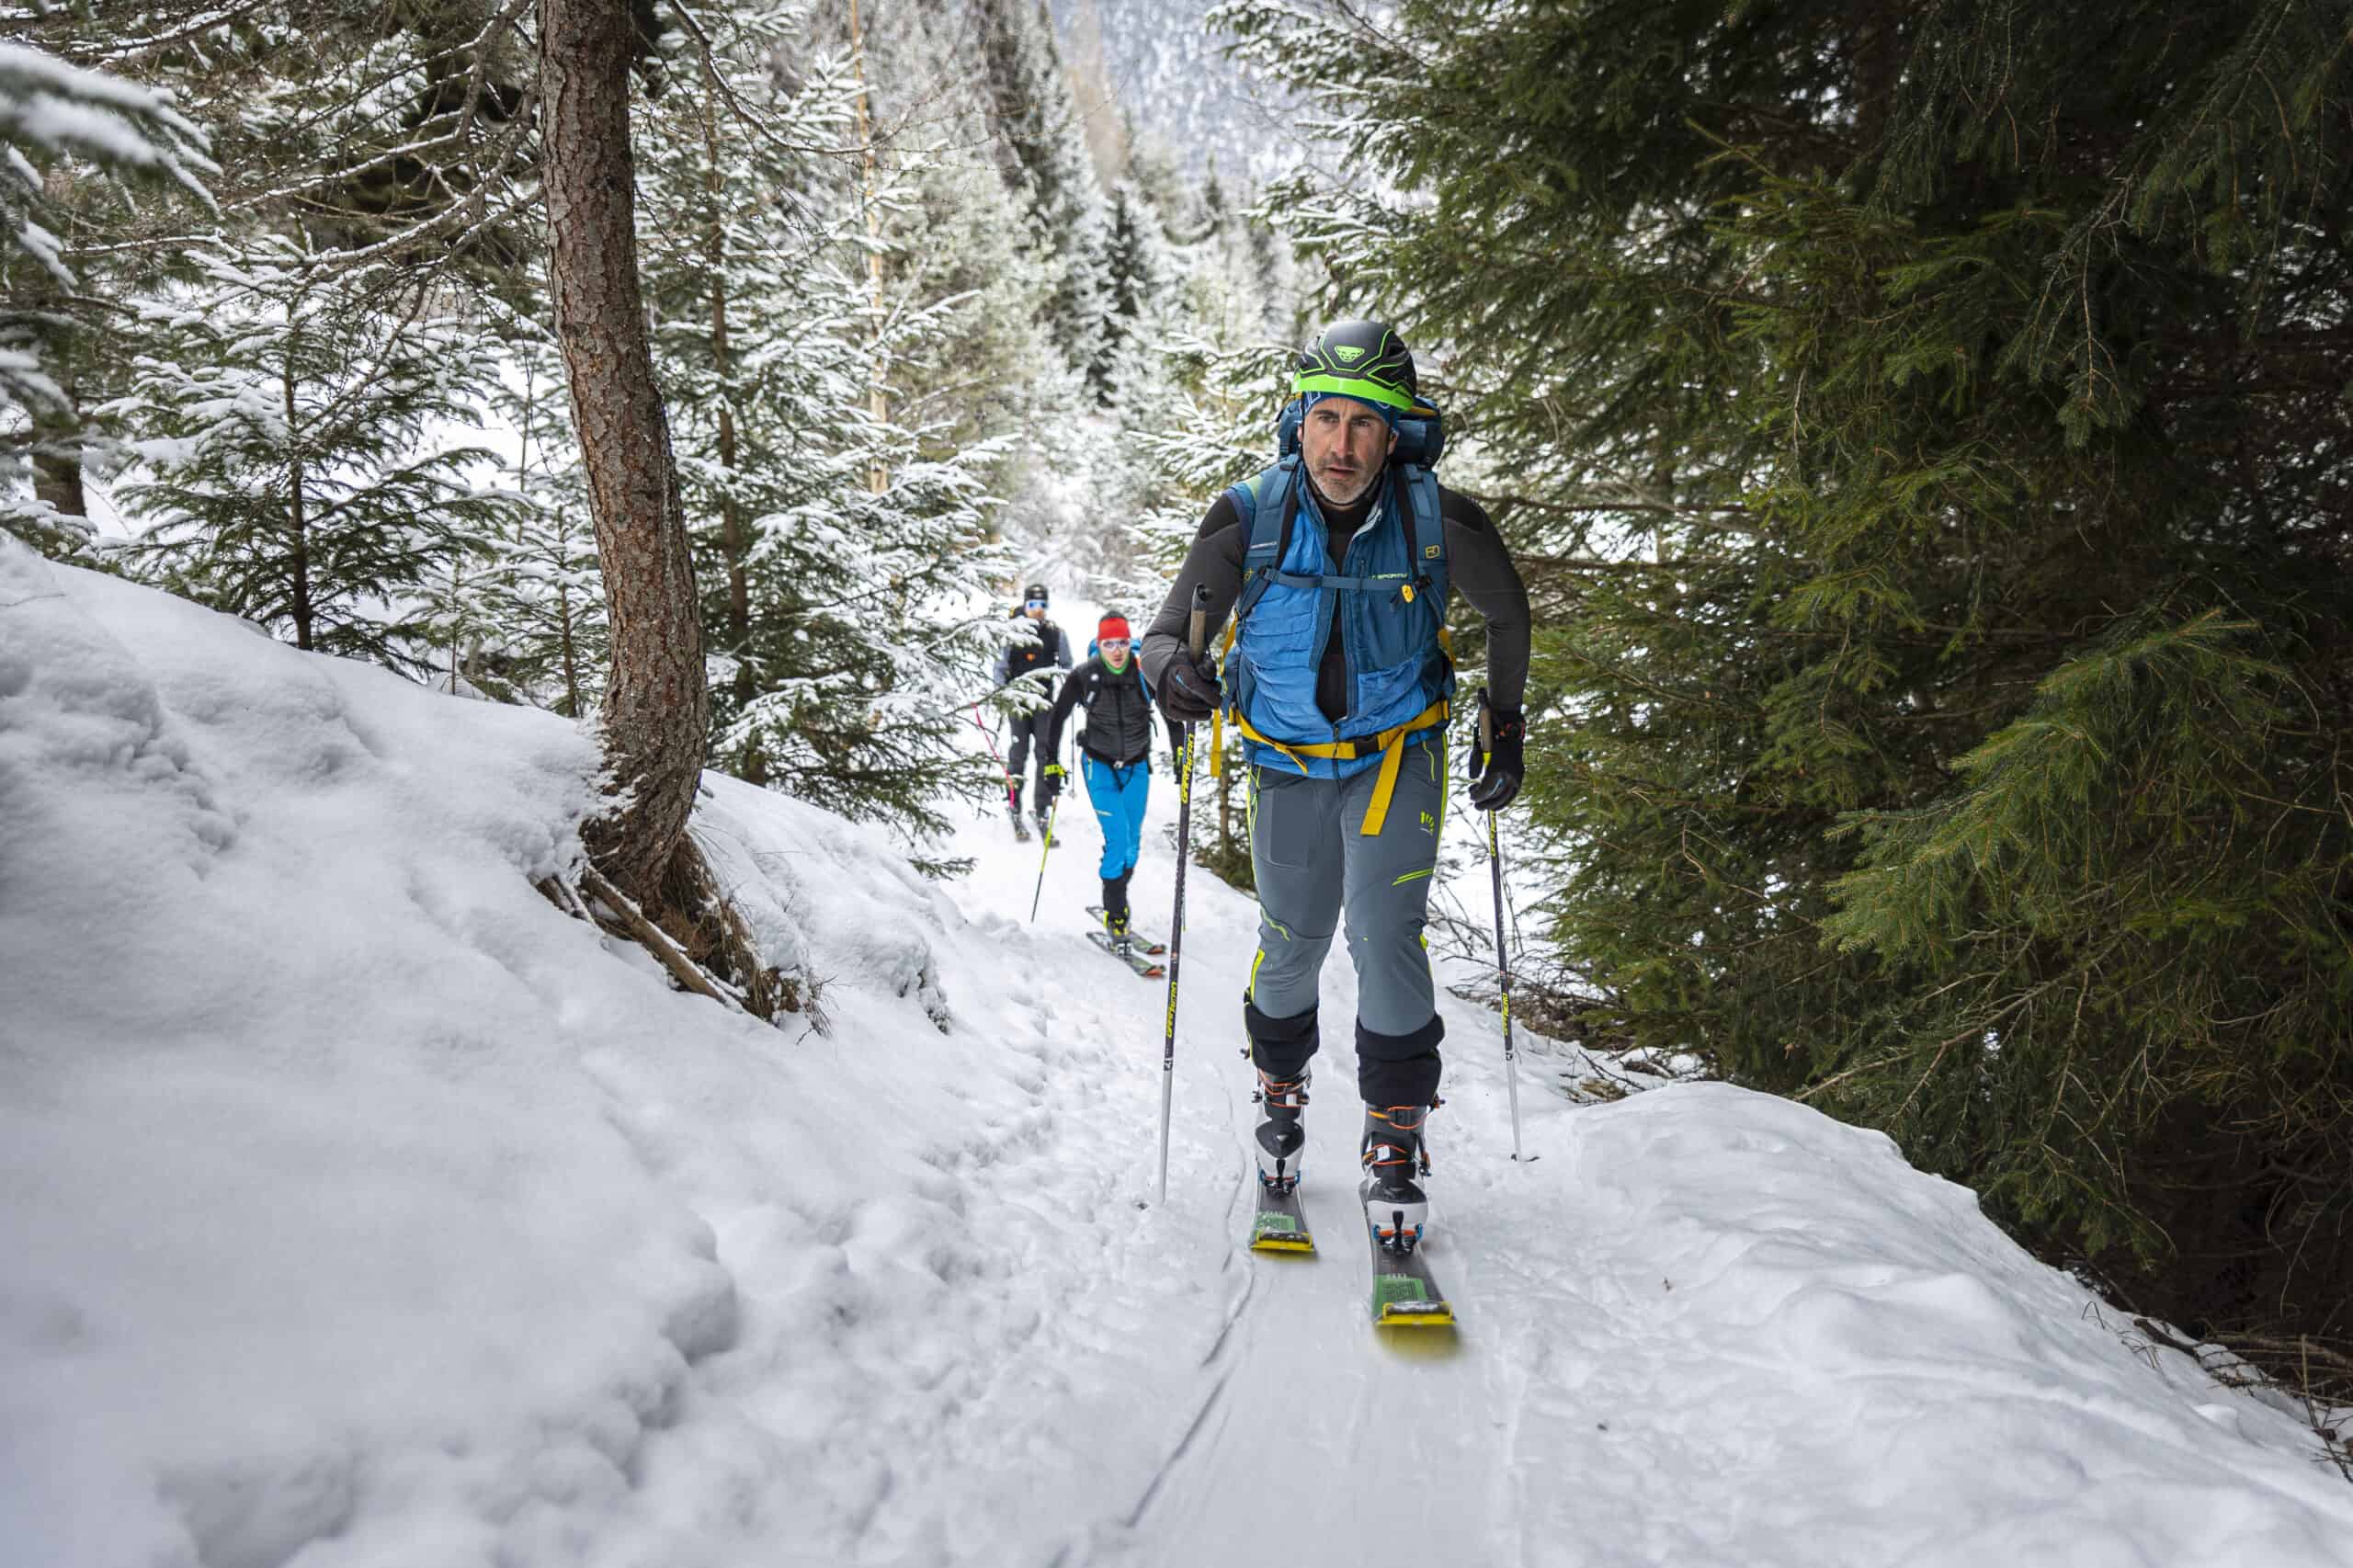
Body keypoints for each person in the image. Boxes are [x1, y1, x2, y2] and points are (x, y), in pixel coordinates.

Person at [1138, 320, 1530, 1253]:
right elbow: (1162, 635)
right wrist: (1170, 676)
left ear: (1396, 433)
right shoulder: (1248, 517)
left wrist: (1503, 723)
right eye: (1326, 418)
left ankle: (1395, 1132)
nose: (1342, 444)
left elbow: (1507, 613)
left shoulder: (1439, 520)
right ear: (1299, 420)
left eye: (1364, 423)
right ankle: (1280, 1089)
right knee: (1292, 939)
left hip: (1399, 753)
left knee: (1385, 931)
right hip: (1286, 761)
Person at [1040, 613, 1172, 951]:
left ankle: (1116, 893)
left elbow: (1173, 714)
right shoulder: (1085, 676)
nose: (1117, 651)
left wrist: (1182, 755)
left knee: (1132, 843)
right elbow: (1057, 718)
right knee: (1117, 840)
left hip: (1137, 766)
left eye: (1123, 643)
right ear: (1099, 645)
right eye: (1109, 644)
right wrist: (1050, 764)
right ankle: (1116, 913)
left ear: (1130, 643)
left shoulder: (1145, 673)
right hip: (1098, 766)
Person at [992, 583, 1070, 837]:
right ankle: (1013, 804)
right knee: (1018, 753)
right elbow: (1000, 666)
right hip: (1018, 703)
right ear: (1025, 605)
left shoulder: (1056, 633)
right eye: (1033, 605)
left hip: (1045, 704)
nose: (1038, 610)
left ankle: (1041, 807)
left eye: (1042, 605)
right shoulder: (1013, 632)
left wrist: (1070, 692)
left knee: (1045, 755)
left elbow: (1067, 666)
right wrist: (1001, 693)